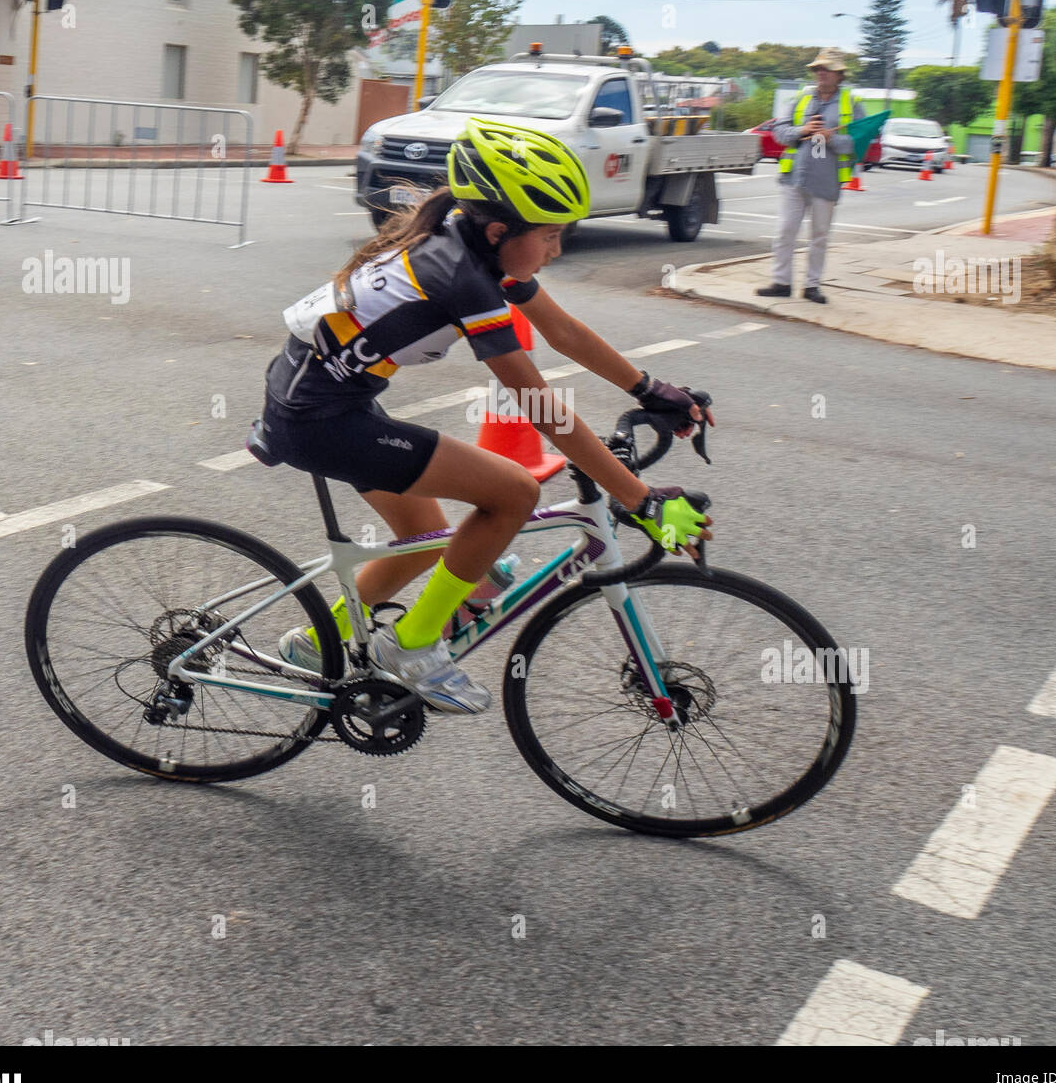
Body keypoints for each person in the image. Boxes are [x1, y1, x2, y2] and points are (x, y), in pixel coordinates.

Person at [255, 116, 716, 716]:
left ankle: (318, 644)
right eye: (550, 235)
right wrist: (639, 498)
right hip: (317, 419)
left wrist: (652, 389)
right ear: (500, 228)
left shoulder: (474, 244)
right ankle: (414, 646)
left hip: (327, 401)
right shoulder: (460, 277)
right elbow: (540, 407)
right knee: (512, 494)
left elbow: (564, 331)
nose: (557, 248)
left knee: (422, 543)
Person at [757, 48, 865, 305]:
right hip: (795, 177)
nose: (821, 73)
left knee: (819, 235)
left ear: (839, 75)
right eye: (818, 69)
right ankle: (781, 282)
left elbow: (859, 142)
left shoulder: (852, 103)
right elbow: (779, 132)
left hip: (826, 180)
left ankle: (812, 286)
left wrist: (832, 138)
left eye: (826, 69)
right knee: (785, 231)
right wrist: (803, 130)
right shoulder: (801, 98)